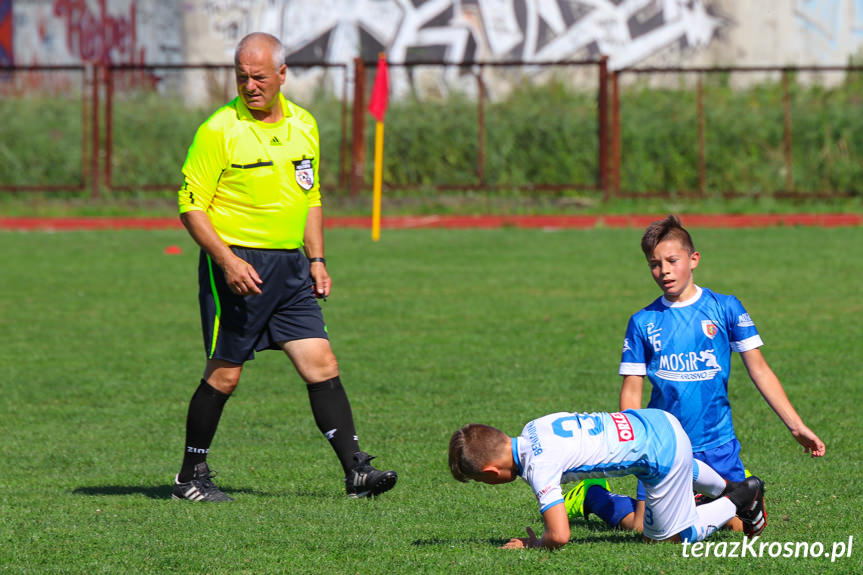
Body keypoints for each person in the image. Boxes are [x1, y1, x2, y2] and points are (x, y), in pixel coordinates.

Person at [172, 32, 396, 502]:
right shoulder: (219, 130)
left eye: (258, 77)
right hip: (238, 267)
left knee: (322, 363)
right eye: (241, 77)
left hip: (292, 269)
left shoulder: (304, 124)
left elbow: (310, 197)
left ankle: (356, 471)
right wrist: (227, 261)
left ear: (282, 75)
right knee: (225, 374)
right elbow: (191, 206)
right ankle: (190, 476)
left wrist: (317, 259)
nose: (249, 86)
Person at [574, 214, 824, 533]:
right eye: (654, 263)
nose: (663, 270)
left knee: (738, 527)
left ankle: (708, 495)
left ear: (694, 260)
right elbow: (632, 388)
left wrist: (796, 426)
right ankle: (592, 495)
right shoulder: (643, 322)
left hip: (717, 441)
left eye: (672, 260)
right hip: (664, 444)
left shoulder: (725, 308)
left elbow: (759, 369)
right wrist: (634, 442)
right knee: (642, 529)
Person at [449, 408, 765, 550]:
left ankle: (742, 496)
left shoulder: (538, 467)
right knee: (678, 464)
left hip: (661, 455)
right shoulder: (535, 426)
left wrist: (534, 544)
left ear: (491, 473)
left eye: (481, 481)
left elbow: (559, 536)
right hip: (657, 420)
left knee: (662, 540)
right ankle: (730, 487)